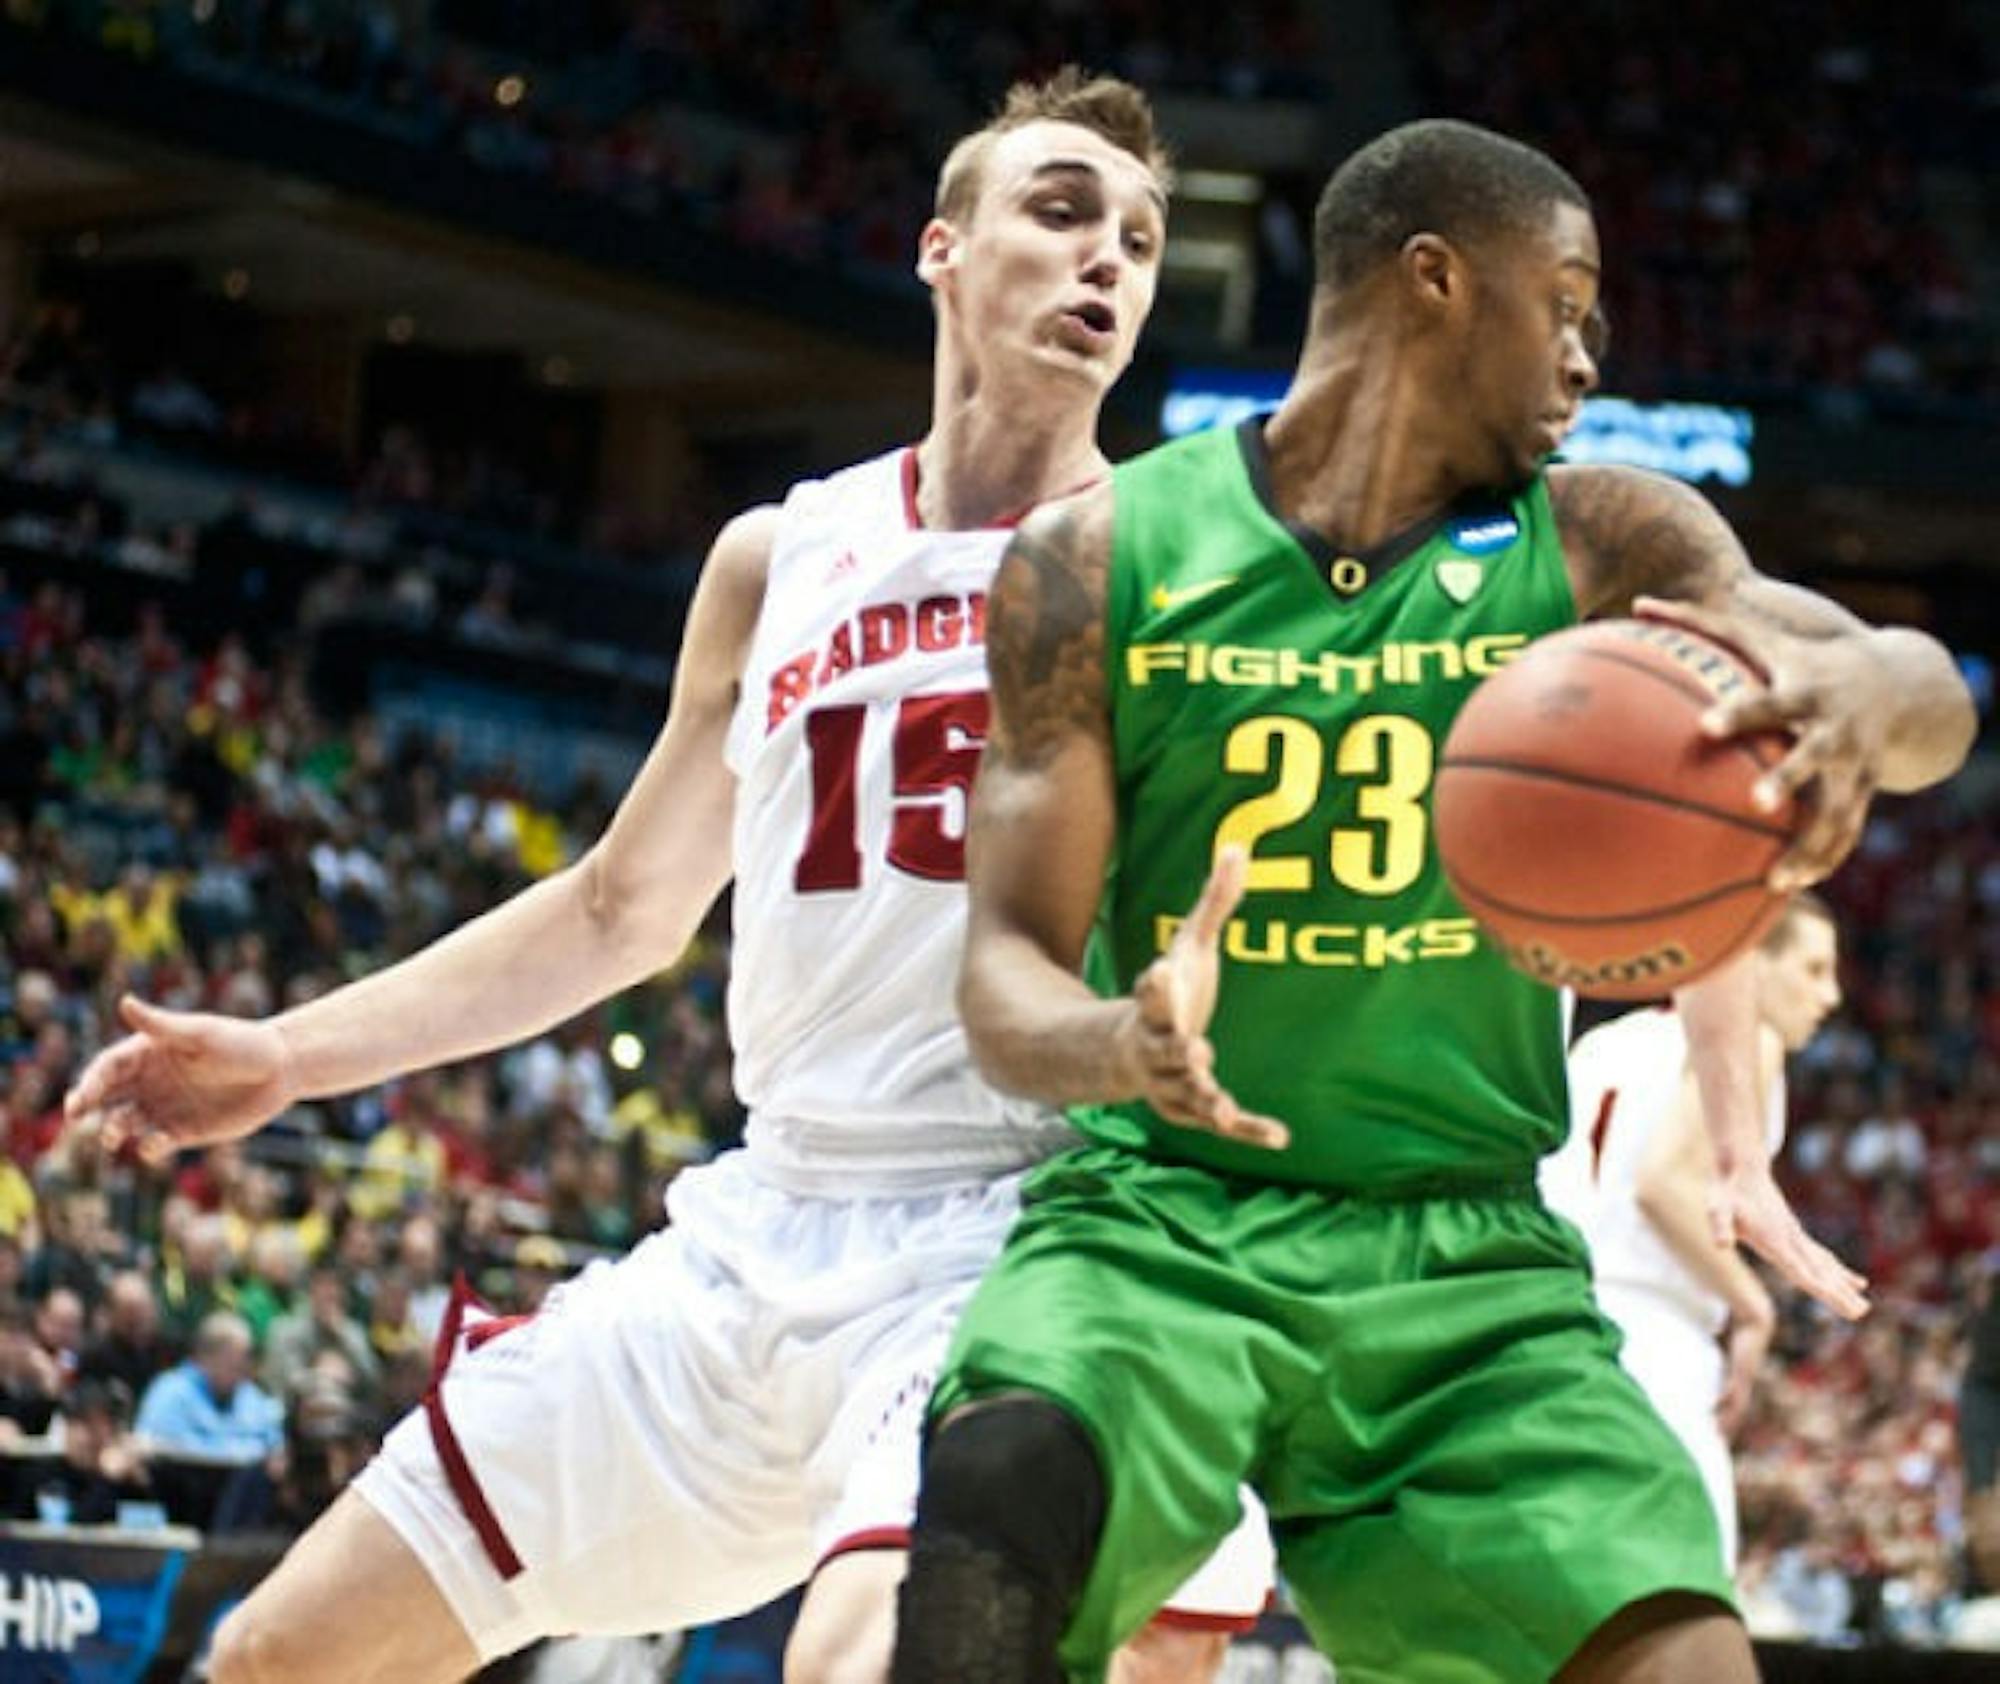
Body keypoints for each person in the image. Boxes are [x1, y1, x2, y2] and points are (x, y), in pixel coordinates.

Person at [65, 69, 1267, 1684]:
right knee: (277, 1651)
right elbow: (623, 911)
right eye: (1059, 215)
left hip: (1020, 1233)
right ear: (942, 249)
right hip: (758, 1225)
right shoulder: (782, 555)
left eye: (1138, 236)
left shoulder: (1187, 560)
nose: (1107, 261)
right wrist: (290, 1056)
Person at [889, 117, 1976, 1683]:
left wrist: (1868, 692)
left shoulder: (1608, 539)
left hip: (1467, 1270)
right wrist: (1117, 1043)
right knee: (994, 1510)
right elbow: (1002, 975)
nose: (1590, 359)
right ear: (1436, 280)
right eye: (1572, 303)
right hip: (1157, 1227)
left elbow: (1917, 685)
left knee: (1684, 1660)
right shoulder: (1099, 554)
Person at [1541, 894, 1842, 1572]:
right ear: (1751, 963)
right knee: (1688, 1608)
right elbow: (1665, 1184)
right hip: (1653, 1340)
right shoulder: (1752, 1043)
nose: (1830, 996)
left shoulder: (1607, 1040)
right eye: (1813, 968)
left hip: (1564, 1328)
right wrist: (1754, 1306)